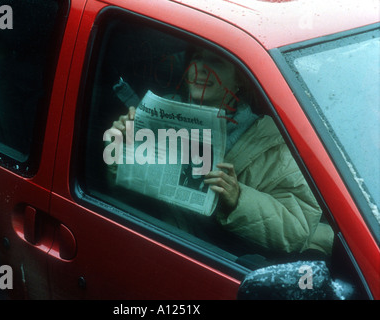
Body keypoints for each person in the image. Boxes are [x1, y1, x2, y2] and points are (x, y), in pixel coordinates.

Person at [110, 47, 334, 256]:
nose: (200, 68)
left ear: (239, 80)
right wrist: (118, 149)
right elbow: (110, 191)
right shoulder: (158, 111)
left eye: (215, 61)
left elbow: (299, 228)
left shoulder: (273, 143)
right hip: (157, 244)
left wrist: (238, 199)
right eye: (196, 57)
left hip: (224, 263)